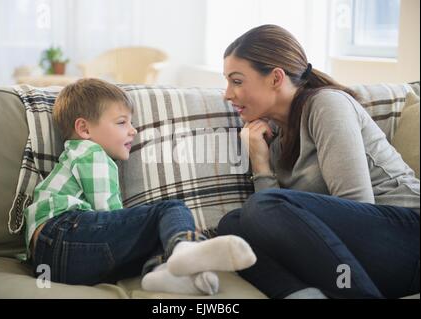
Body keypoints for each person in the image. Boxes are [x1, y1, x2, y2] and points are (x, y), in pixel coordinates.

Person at [218, 24, 420, 299]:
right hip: (360, 256)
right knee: (233, 225)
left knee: (263, 206)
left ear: (276, 78)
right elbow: (269, 230)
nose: (227, 94)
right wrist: (261, 164)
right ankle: (301, 295)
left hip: (406, 237)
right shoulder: (272, 136)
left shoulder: (326, 105)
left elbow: (357, 209)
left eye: (237, 81)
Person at [25, 78, 257, 295]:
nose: (133, 130)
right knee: (169, 209)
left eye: (131, 122)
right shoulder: (90, 152)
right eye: (121, 122)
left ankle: (161, 273)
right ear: (84, 129)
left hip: (52, 263)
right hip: (61, 233)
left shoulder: (76, 155)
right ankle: (186, 246)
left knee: (155, 235)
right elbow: (108, 212)